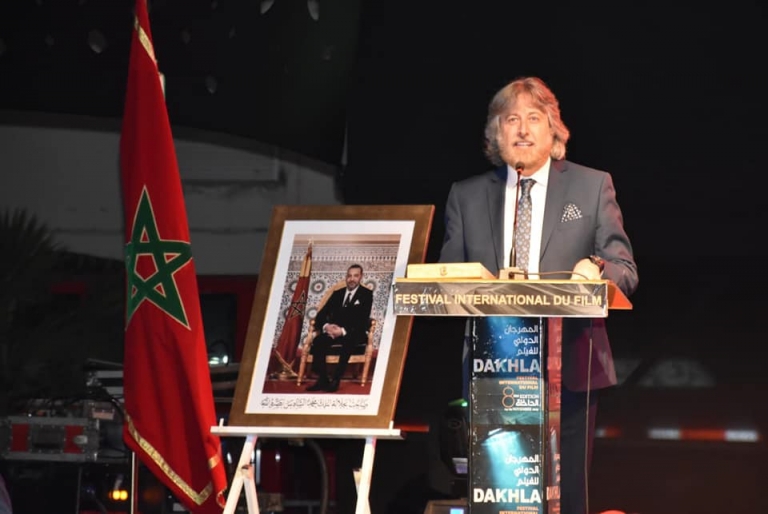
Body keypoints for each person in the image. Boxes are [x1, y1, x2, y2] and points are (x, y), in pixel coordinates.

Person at [438, 76, 638, 514]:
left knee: (567, 498)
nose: (523, 129)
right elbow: (447, 282)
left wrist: (596, 269)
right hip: (493, 371)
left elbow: (625, 271)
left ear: (554, 130)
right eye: (511, 119)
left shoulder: (592, 186)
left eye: (533, 118)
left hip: (572, 368)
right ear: (496, 132)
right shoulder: (466, 196)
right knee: (501, 497)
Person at [306, 264, 373, 392]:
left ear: (361, 277)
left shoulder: (366, 294)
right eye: (349, 276)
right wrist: (327, 327)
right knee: (319, 341)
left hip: (353, 332)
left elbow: (363, 319)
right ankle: (323, 379)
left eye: (355, 276)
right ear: (346, 277)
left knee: (349, 341)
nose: (352, 279)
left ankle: (336, 379)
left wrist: (342, 331)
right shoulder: (338, 293)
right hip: (333, 331)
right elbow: (321, 315)